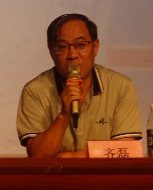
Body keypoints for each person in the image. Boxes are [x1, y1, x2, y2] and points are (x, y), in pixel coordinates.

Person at [17, 12, 141, 157]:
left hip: (104, 173)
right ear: (51, 51)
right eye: (62, 47)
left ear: (95, 47)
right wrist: (64, 115)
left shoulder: (121, 86)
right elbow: (38, 156)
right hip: (54, 173)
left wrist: (71, 157)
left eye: (80, 45)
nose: (72, 55)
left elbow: (127, 150)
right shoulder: (35, 90)